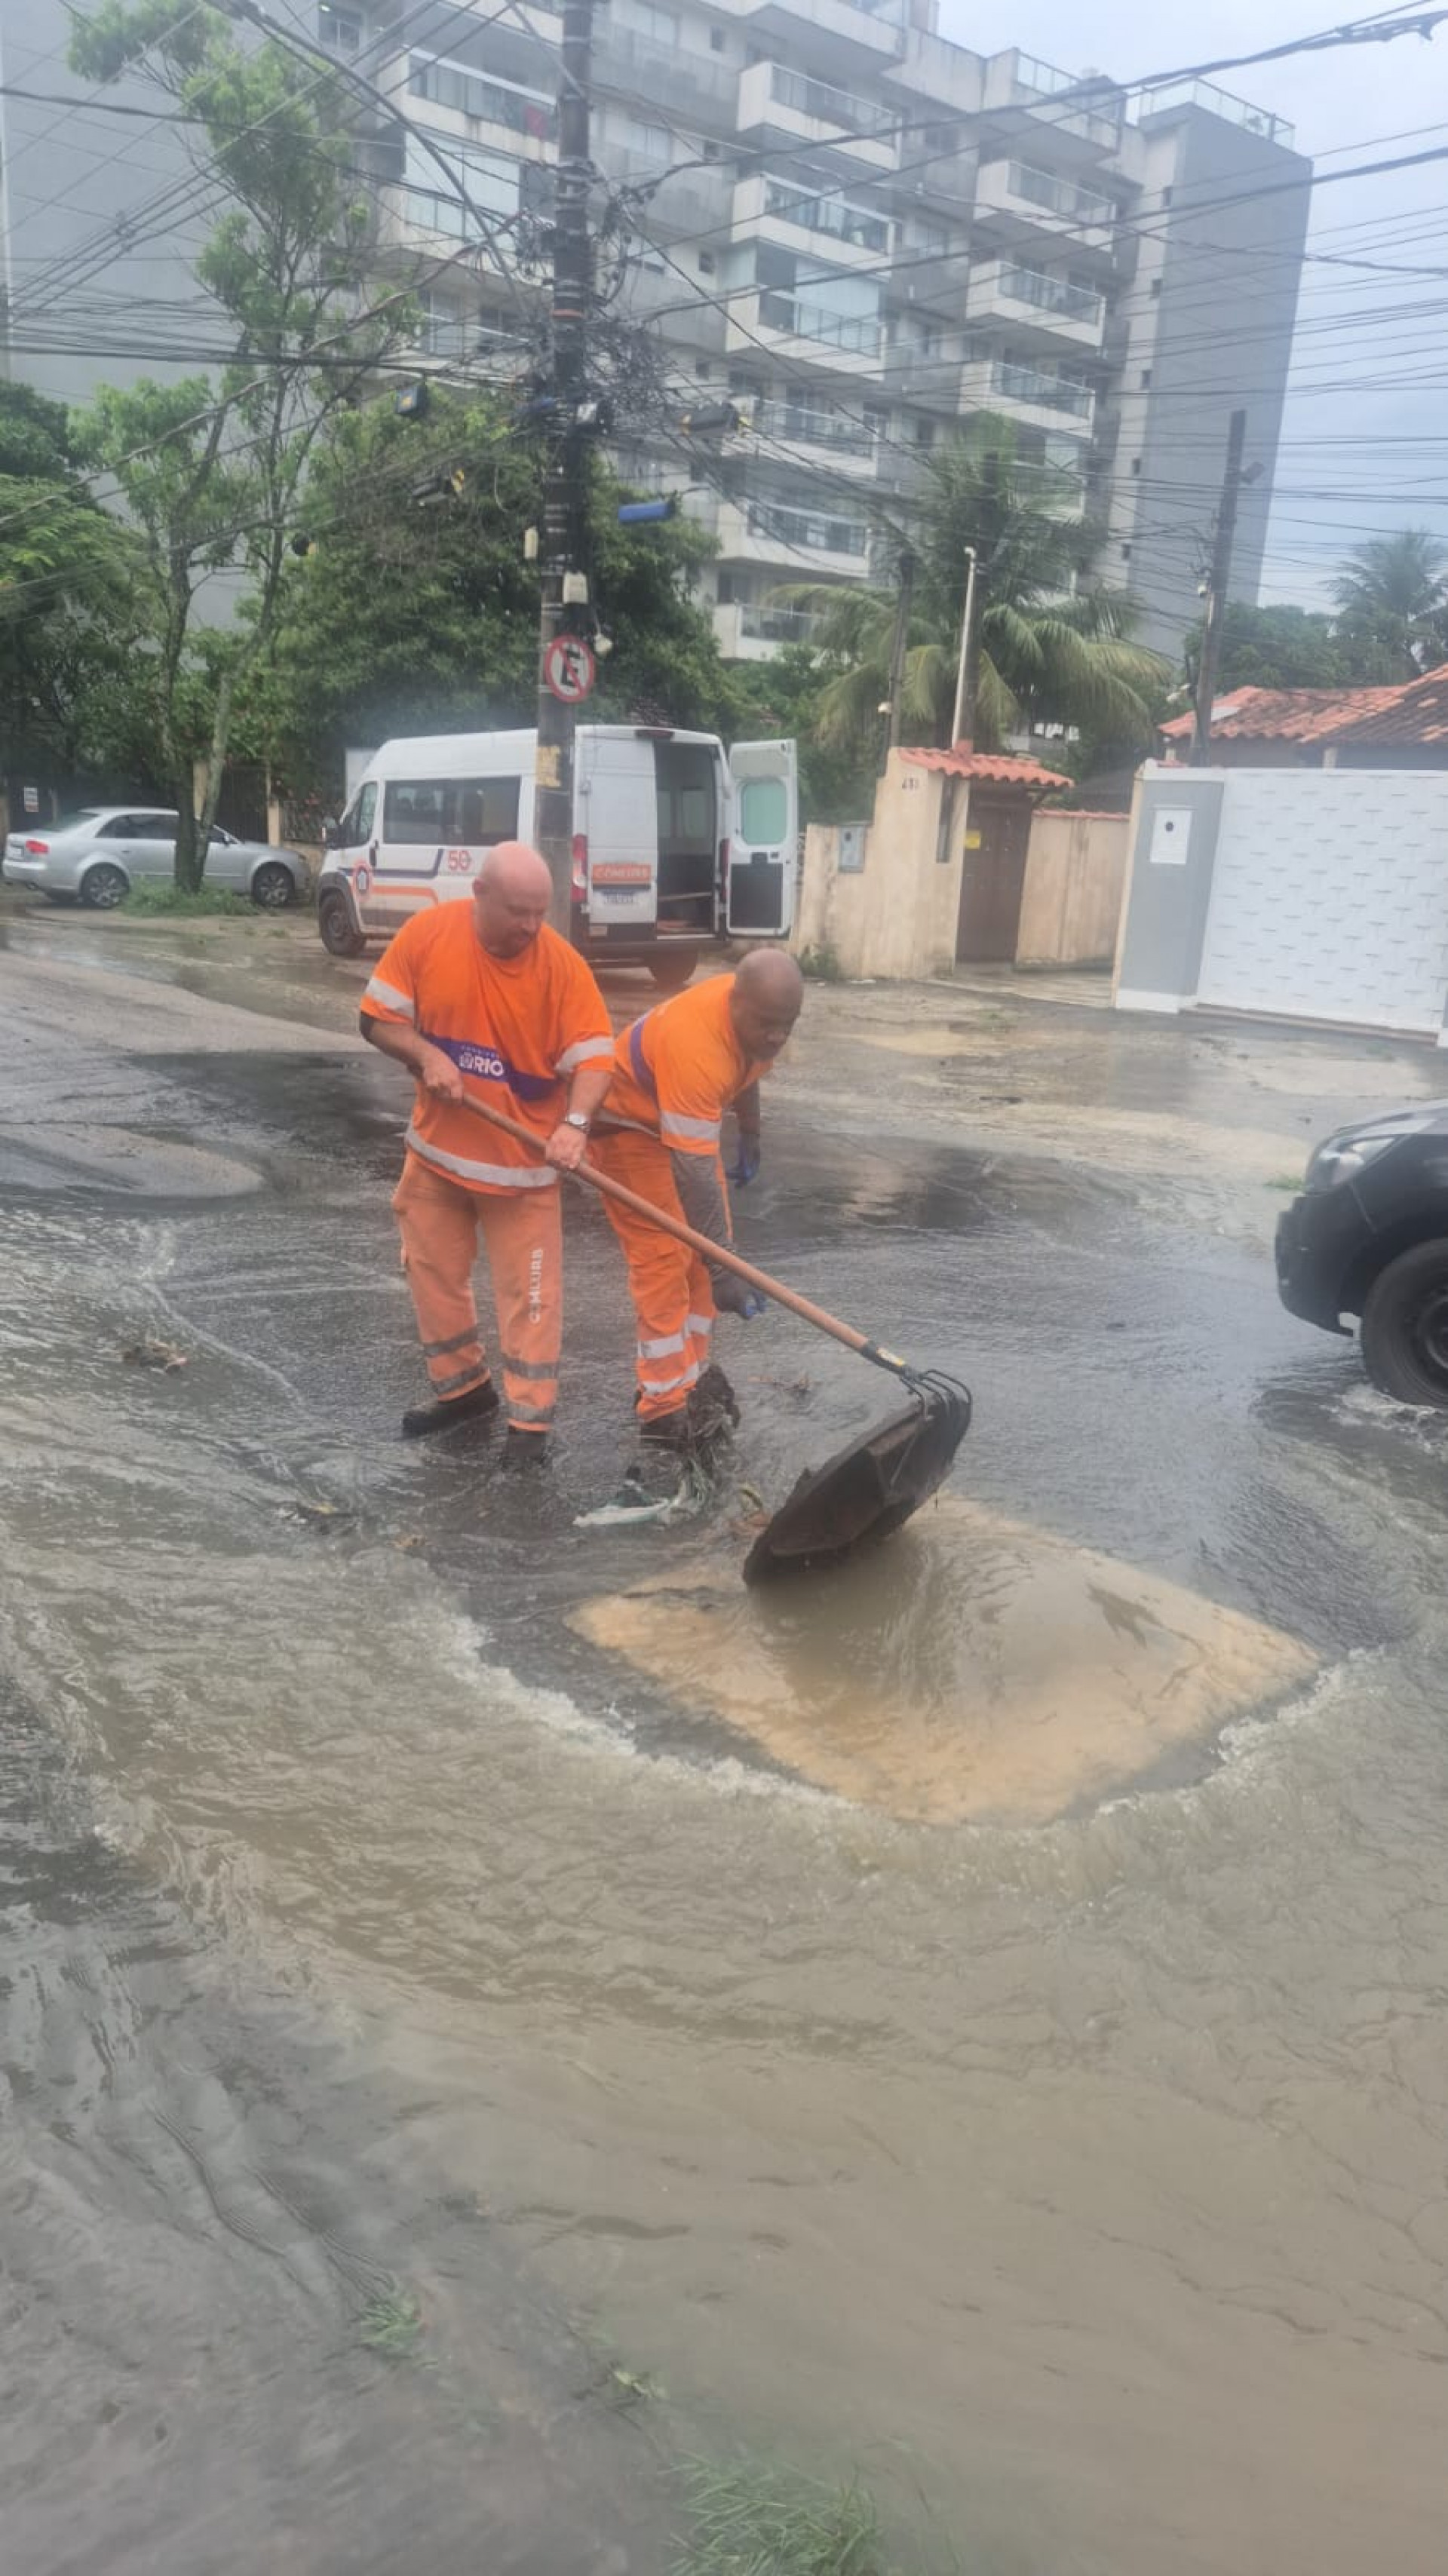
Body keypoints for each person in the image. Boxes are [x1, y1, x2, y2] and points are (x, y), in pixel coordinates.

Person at [358, 842, 614, 1462]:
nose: (531, 926)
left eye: (540, 912)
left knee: (531, 1300)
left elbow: (596, 1057)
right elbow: (375, 1019)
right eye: (518, 911)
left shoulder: (561, 967)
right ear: (479, 895)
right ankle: (463, 1392)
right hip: (437, 1156)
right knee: (432, 1278)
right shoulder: (428, 935)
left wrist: (575, 1124)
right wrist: (426, 1055)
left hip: (523, 1172)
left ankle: (529, 1428)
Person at [594, 949, 804, 1451]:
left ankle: (688, 1381)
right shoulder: (697, 1045)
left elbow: (746, 1069)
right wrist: (724, 1272)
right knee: (667, 1258)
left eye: (786, 1026)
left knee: (709, 1252)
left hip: (683, 1122)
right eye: (767, 1025)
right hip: (626, 1124)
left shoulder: (759, 1019)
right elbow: (692, 1171)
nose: (776, 1037)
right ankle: (663, 1408)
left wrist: (750, 1132)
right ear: (736, 1002)